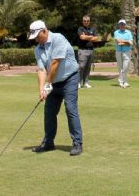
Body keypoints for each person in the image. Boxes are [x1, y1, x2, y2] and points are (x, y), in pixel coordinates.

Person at [28, 20, 83, 156]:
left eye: (37, 37)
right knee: (49, 112)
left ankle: (77, 143)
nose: (36, 40)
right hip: (53, 82)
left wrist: (47, 86)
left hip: (69, 78)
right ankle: (48, 143)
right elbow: (41, 70)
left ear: (44, 31)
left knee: (70, 108)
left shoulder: (58, 38)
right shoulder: (38, 49)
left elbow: (54, 64)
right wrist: (42, 90)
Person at [77, 15, 98, 89]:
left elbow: (96, 38)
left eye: (88, 21)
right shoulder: (80, 28)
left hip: (91, 50)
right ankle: (78, 82)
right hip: (83, 50)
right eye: (85, 21)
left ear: (89, 21)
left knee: (88, 67)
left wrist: (87, 37)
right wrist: (91, 37)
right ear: (83, 21)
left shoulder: (93, 28)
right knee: (81, 66)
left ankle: (86, 83)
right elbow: (82, 37)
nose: (86, 22)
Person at [114, 19, 133, 88]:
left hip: (127, 51)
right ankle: (124, 81)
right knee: (120, 67)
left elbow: (131, 43)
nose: (122, 25)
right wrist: (126, 42)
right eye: (121, 24)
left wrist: (123, 42)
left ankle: (121, 80)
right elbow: (118, 41)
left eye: (123, 24)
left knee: (125, 67)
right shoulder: (116, 32)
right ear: (119, 25)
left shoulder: (128, 32)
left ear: (125, 25)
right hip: (118, 51)